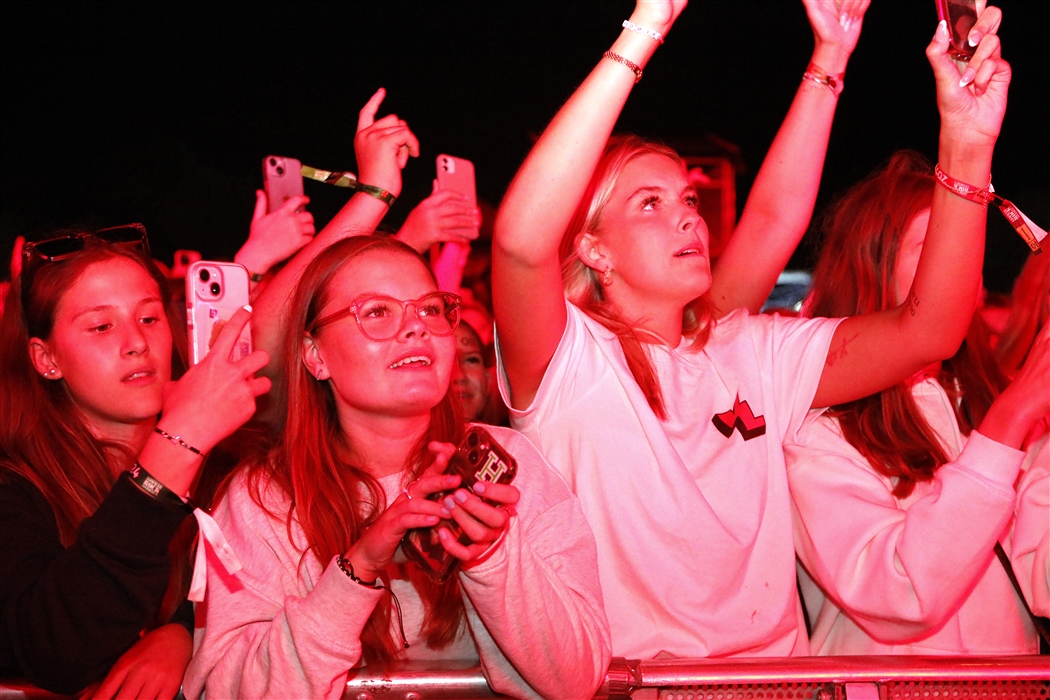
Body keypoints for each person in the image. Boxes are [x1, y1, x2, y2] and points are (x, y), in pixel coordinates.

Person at [490, 0, 1010, 658]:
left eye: (687, 198)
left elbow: (931, 328)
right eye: (648, 204)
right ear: (593, 248)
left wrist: (965, 144)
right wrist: (647, 25)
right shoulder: (570, 364)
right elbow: (518, 245)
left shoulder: (753, 352)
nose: (687, 217)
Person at [182, 235, 609, 700]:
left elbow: (578, 680)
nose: (416, 328)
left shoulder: (508, 464)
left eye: (430, 308)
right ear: (315, 355)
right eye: (377, 312)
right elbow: (226, 691)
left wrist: (492, 555)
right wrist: (357, 569)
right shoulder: (263, 498)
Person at [787, 151, 1047, 654]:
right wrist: (1010, 420)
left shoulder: (980, 395)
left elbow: (1043, 582)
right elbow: (898, 594)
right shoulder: (818, 422)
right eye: (937, 249)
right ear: (872, 267)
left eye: (967, 245)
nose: (963, 264)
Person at [0, 226, 270, 697]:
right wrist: (178, 445)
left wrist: (186, 633)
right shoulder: (14, 486)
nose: (136, 343)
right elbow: (52, 649)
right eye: (102, 326)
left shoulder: (227, 461)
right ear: (46, 359)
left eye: (149, 318)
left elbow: (274, 583)